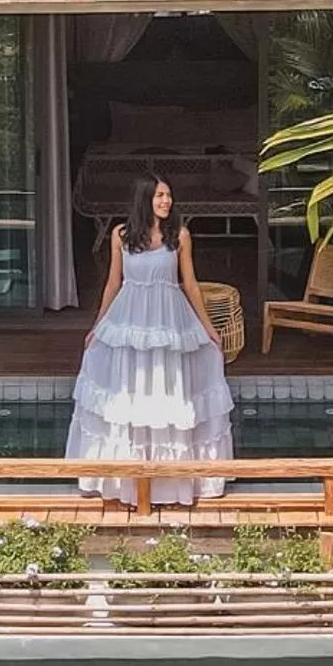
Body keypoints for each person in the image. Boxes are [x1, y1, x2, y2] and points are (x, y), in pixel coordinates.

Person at [65, 174, 234, 503]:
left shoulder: (179, 235)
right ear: (144, 198)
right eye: (159, 195)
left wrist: (209, 328)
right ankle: (125, 478)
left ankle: (171, 480)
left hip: (169, 317)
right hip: (129, 317)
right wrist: (98, 324)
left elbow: (191, 284)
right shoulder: (120, 235)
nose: (166, 201)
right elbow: (113, 283)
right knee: (131, 393)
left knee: (168, 391)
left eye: (168, 195)